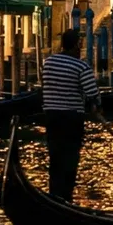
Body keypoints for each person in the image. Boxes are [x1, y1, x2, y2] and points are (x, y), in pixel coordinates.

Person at [40, 27, 100, 201]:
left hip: (51, 116)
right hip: (71, 117)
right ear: (76, 46)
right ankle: (66, 197)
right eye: (79, 44)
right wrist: (96, 106)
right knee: (70, 158)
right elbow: (92, 92)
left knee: (55, 156)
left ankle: (55, 195)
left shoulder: (49, 62)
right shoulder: (81, 66)